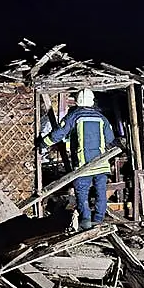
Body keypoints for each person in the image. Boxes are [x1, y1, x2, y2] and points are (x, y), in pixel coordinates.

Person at [39, 88, 117, 230]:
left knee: (82, 193)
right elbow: (110, 139)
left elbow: (59, 133)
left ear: (77, 101)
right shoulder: (101, 117)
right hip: (101, 163)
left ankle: (85, 221)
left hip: (83, 165)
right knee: (101, 192)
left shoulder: (74, 116)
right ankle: (98, 220)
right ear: (92, 101)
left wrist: (43, 143)